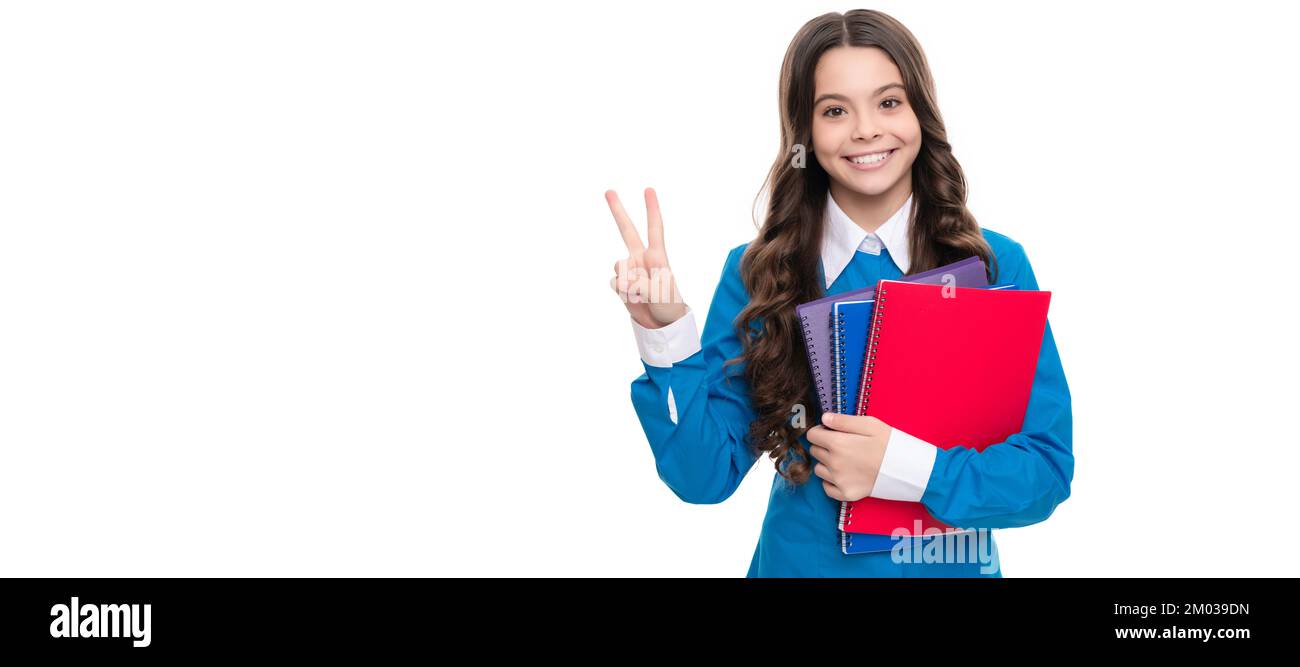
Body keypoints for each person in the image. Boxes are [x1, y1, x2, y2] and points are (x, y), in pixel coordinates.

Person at [605, 9, 1072, 577]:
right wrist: (665, 334)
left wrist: (901, 467)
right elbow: (703, 479)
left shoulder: (992, 266)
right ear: (804, 132)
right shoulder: (758, 272)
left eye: (889, 102)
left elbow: (1045, 472)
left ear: (920, 113)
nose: (866, 129)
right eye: (834, 111)